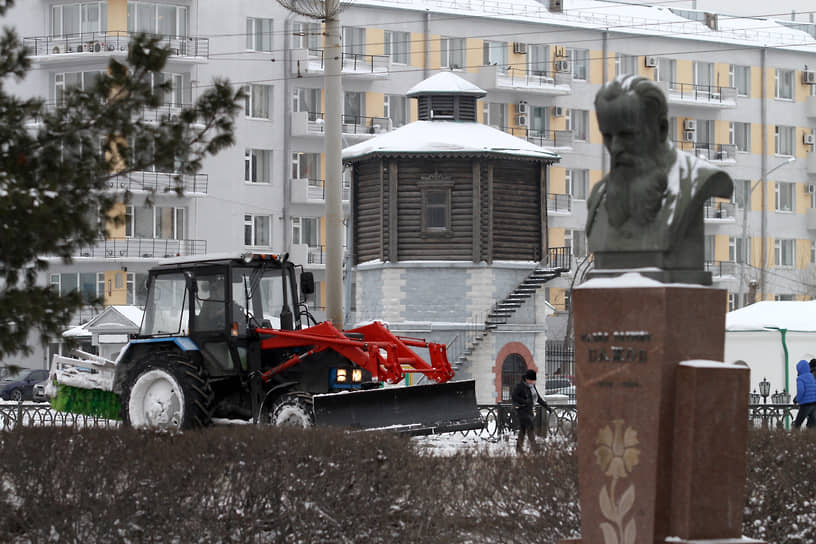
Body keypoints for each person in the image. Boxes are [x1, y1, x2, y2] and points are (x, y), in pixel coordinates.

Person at [586, 75, 733, 284]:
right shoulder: (599, 196)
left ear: (661, 129)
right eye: (608, 136)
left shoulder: (697, 180)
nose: (616, 147)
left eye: (627, 135)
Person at [511, 369, 549, 454]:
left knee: (523, 430)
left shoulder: (532, 386)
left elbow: (537, 398)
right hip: (521, 410)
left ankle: (518, 448)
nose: (533, 382)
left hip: (529, 411)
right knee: (530, 428)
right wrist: (524, 401)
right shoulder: (520, 386)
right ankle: (534, 448)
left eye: (534, 380)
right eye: (531, 380)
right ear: (527, 379)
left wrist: (546, 406)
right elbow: (514, 396)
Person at [792, 359, 816, 429]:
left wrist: (796, 400)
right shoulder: (812, 377)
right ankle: (811, 438)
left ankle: (794, 438)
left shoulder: (800, 378)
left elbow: (801, 391)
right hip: (814, 403)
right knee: (812, 425)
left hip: (806, 404)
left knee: (797, 424)